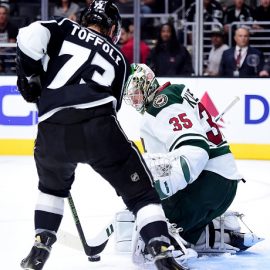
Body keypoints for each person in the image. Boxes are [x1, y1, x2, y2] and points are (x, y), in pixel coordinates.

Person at [16, 1, 186, 270]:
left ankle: (41, 243)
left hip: (52, 130)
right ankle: (159, 247)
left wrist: (32, 75)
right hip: (99, 128)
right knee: (141, 195)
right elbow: (112, 106)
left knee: (51, 189)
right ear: (112, 27)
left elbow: (28, 35)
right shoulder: (119, 59)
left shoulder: (63, 27)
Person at [123, 63, 263, 261]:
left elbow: (195, 151)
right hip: (222, 185)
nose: (134, 99)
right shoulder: (174, 93)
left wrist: (159, 191)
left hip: (207, 184)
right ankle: (216, 232)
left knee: (148, 224)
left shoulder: (161, 105)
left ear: (147, 83)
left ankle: (172, 242)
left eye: (136, 91)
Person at [0, 4, 18, 73]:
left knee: (8, 55)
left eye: (4, 14)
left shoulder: (12, 28)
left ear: (7, 15)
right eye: (0, 14)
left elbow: (11, 45)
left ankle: (9, 75)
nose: (1, 16)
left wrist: (1, 52)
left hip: (8, 54)